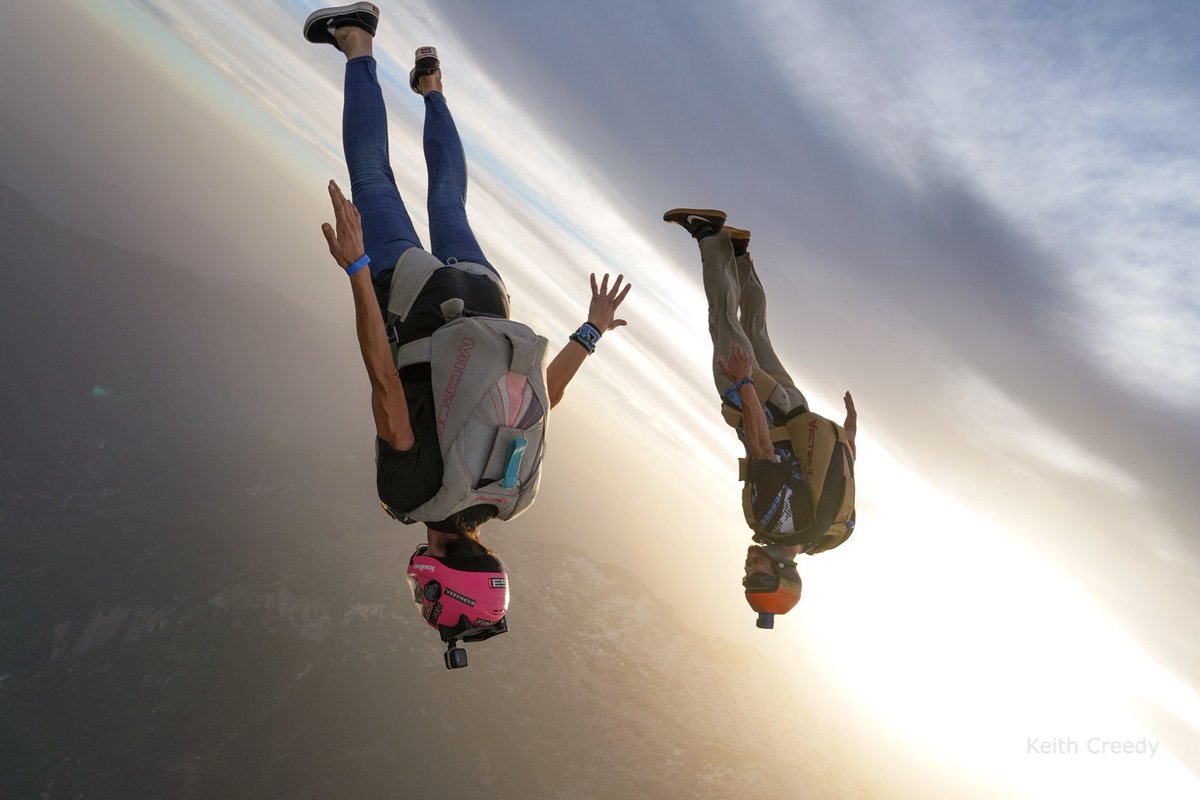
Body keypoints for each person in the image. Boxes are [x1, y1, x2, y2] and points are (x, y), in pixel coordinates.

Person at [307, 3, 631, 662]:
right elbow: (386, 391)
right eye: (432, 604)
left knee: (448, 202)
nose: (421, 599)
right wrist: (359, 272)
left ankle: (431, 89)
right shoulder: (411, 497)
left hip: (487, 298)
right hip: (416, 294)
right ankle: (357, 41)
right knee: (372, 178)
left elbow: (541, 394)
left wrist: (591, 332)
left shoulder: (514, 494)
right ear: (447, 582)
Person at [664, 208, 857, 628]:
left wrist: (848, 434)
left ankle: (739, 252)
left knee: (755, 330)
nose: (748, 567)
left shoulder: (824, 537)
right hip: (763, 405)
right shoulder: (775, 524)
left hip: (796, 409)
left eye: (747, 578)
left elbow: (840, 477)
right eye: (758, 575)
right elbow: (761, 449)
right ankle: (709, 236)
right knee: (723, 322)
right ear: (782, 572)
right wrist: (745, 385)